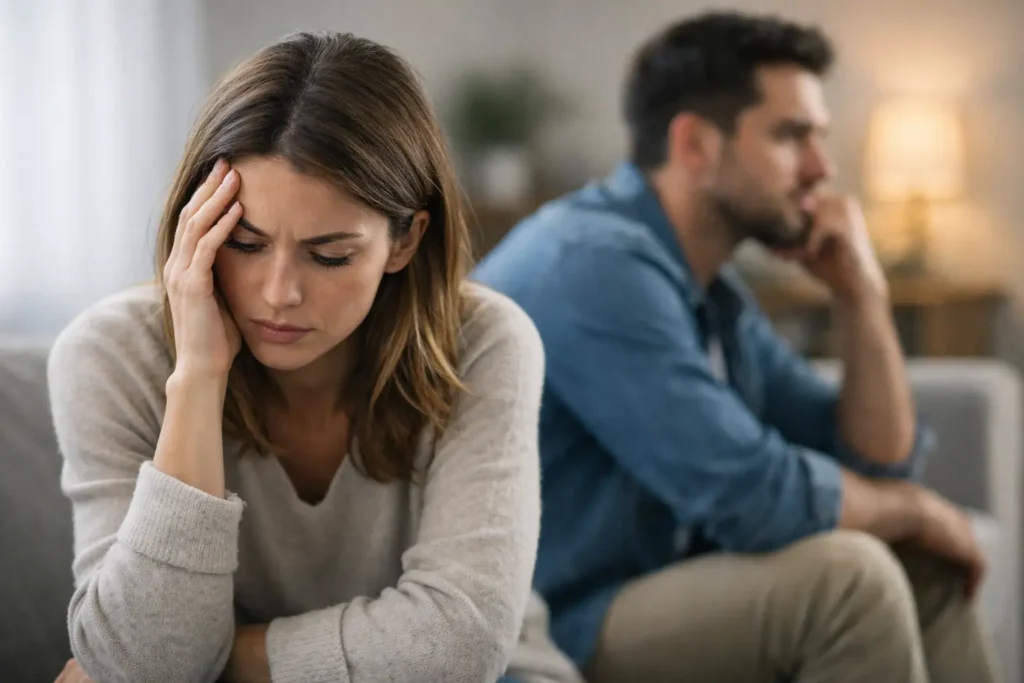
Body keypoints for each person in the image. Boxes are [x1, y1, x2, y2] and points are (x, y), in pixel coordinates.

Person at [472, 11, 1000, 683]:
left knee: (921, 562)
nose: (822, 168)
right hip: (555, 616)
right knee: (849, 579)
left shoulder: (711, 289)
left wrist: (861, 295)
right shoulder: (593, 265)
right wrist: (919, 510)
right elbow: (753, 497)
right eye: (792, 136)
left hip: (648, 586)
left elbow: (874, 461)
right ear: (695, 145)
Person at [48, 30, 582, 683]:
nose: (279, 294)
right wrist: (197, 377)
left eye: (330, 254)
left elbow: (456, 645)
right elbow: (148, 660)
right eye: (244, 242)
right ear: (197, 223)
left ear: (406, 240)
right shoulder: (109, 356)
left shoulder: (488, 342)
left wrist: (217, 660)